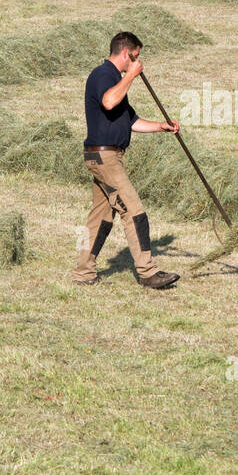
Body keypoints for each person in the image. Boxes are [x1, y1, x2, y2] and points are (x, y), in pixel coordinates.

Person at [72, 30, 181, 289]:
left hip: (107, 156)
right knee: (133, 210)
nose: (138, 62)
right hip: (104, 156)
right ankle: (148, 272)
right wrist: (131, 75)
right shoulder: (103, 75)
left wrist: (161, 126)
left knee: (100, 218)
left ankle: (83, 273)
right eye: (137, 57)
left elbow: (130, 120)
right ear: (126, 54)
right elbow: (109, 102)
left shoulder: (116, 80)